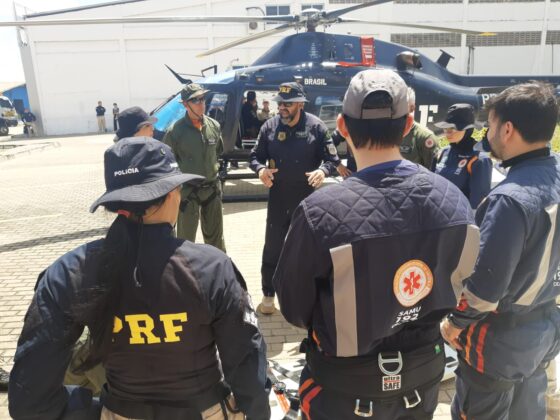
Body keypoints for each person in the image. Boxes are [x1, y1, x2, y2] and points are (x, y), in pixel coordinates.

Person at [9, 137, 270, 420]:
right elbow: (248, 370)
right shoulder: (212, 268)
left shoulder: (69, 272)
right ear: (172, 194)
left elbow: (30, 399)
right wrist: (253, 411)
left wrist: (95, 409)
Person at [273, 69, 480, 419]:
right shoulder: (455, 201)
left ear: (342, 126)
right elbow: (461, 278)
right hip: (421, 377)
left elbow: (294, 306)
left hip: (343, 386)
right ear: (408, 124)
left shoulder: (319, 213)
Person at [440, 82, 560, 420]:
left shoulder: (509, 199)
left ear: (507, 129)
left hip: (499, 341)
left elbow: (484, 290)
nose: (487, 133)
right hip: (543, 329)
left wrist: (454, 323)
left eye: (490, 125)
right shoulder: (554, 175)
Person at [250, 82, 342, 315]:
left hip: (307, 200)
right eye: (280, 103)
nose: (282, 107)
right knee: (273, 247)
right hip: (278, 198)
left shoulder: (317, 127)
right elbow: (255, 157)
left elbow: (332, 160)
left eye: (288, 104)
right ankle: (268, 294)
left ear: (300, 104)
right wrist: (260, 170)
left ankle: (306, 296)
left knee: (307, 249)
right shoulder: (269, 127)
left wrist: (323, 171)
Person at [163, 83, 226, 252]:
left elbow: (218, 153)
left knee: (216, 241)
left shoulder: (214, 126)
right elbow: (166, 164)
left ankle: (219, 268)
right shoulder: (175, 132)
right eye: (195, 100)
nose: (201, 103)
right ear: (185, 104)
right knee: (184, 242)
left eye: (203, 99)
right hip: (188, 194)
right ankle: (182, 269)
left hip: (212, 190)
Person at [433, 103, 492, 209]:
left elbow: (478, 205)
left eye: (453, 128)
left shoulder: (479, 159)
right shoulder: (443, 152)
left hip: (460, 217)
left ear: (468, 130)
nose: (447, 132)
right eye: (445, 128)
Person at [400, 88, 439, 169]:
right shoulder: (386, 133)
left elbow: (432, 172)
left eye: (402, 105)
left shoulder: (425, 137)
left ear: (412, 108)